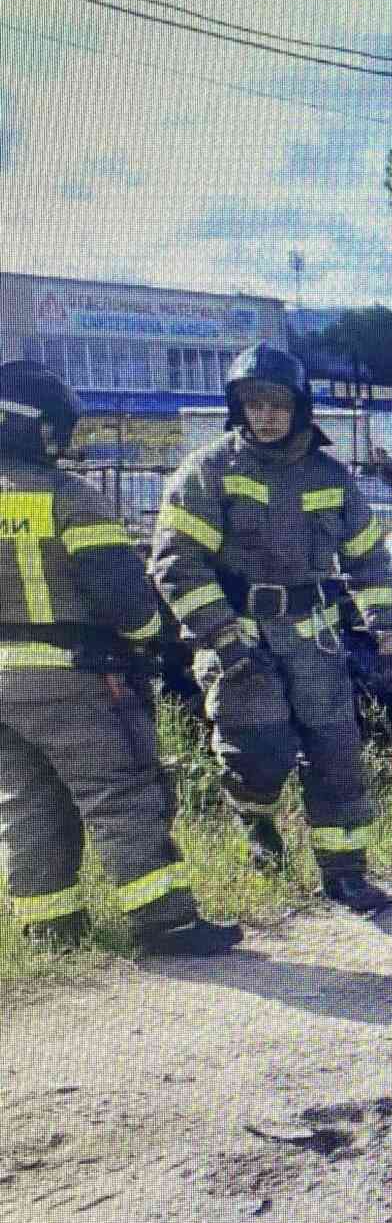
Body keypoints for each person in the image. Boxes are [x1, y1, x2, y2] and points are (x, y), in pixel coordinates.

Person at [149, 344, 392, 914]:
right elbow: (175, 560)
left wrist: (387, 628)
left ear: (300, 406)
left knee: (337, 755)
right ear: (237, 407)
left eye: (276, 404)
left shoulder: (331, 476)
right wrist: (222, 635)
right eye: (253, 404)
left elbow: (368, 559)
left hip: (315, 640)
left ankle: (345, 874)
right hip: (240, 641)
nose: (265, 415)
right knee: (260, 755)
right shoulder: (209, 470)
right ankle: (256, 823)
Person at [0, 361, 241, 957]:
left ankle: (50, 930)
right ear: (47, 431)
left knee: (29, 800)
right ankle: (166, 922)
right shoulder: (70, 500)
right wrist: (146, 646)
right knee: (118, 792)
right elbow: (125, 602)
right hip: (68, 676)